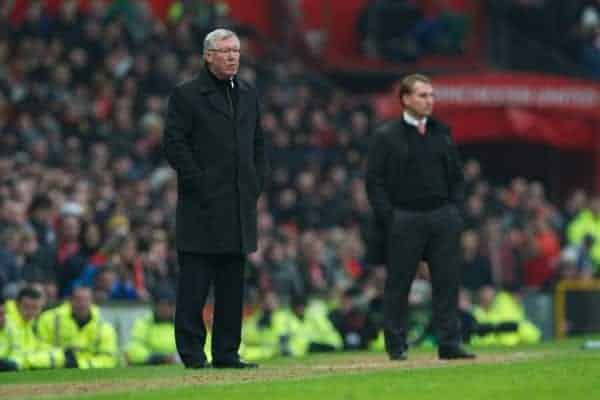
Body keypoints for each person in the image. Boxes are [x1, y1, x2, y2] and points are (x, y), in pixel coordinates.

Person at [163, 28, 268, 369]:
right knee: (194, 286)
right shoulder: (187, 95)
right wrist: (198, 183)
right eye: (224, 51)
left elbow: (258, 145)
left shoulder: (249, 94)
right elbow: (174, 144)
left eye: (236, 51)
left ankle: (226, 352)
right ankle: (193, 355)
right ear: (207, 56)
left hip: (238, 206)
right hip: (202, 207)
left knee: (232, 287)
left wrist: (255, 183)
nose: (232, 56)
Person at [365, 73, 474, 361]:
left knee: (447, 282)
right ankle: (396, 345)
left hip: (442, 216)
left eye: (431, 95)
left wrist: (455, 212)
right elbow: (373, 181)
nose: (430, 101)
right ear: (405, 99)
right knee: (399, 284)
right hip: (405, 217)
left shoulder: (442, 132)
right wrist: (390, 217)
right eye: (423, 95)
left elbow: (457, 176)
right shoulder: (386, 136)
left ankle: (450, 343)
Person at [36, 286, 119, 369]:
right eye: (78, 300)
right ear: (70, 301)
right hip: (56, 366)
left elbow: (109, 358)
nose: (82, 304)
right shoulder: (49, 319)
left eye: (86, 300)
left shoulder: (104, 328)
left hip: (89, 371)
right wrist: (62, 355)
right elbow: (39, 346)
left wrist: (78, 364)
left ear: (92, 302)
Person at [125, 286, 178, 366]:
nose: (165, 308)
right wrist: (157, 358)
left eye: (169, 305)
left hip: (178, 370)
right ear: (155, 306)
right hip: (149, 366)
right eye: (161, 304)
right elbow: (133, 349)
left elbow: (196, 348)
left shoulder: (183, 325)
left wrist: (177, 359)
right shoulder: (143, 323)